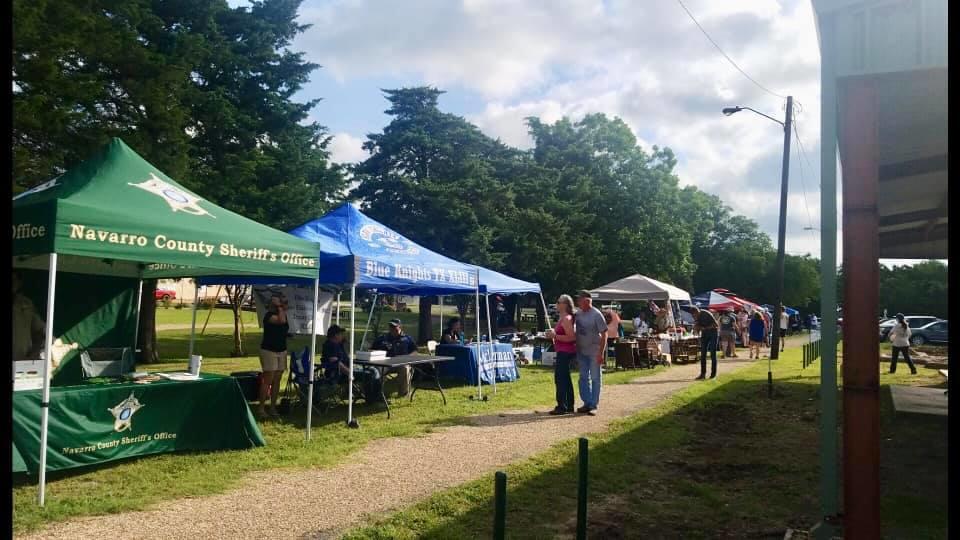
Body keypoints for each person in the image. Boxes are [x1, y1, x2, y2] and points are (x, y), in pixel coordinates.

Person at [321, 324, 383, 402]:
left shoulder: (338, 344)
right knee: (370, 374)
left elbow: (345, 349)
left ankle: (375, 397)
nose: (342, 335)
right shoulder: (330, 346)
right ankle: (373, 399)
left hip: (349, 368)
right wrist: (350, 373)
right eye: (340, 334)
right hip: (340, 374)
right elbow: (336, 363)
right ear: (336, 335)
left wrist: (346, 342)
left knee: (374, 370)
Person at [574, 290, 608, 415]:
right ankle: (586, 402)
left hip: (594, 351)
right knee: (583, 378)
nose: (577, 302)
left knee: (595, 377)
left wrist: (601, 352)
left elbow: (605, 334)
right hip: (581, 351)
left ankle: (593, 404)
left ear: (587, 301)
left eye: (579, 300)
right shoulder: (578, 313)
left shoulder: (596, 315)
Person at [544, 294, 577, 415]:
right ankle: (568, 405)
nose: (556, 304)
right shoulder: (563, 318)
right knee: (565, 378)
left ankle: (562, 406)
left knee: (560, 378)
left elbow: (572, 337)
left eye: (559, 302)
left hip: (565, 352)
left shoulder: (567, 319)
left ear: (565, 304)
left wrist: (555, 336)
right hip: (562, 351)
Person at [258, 293, 289, 417]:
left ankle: (272, 407)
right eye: (283, 303)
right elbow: (280, 321)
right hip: (269, 350)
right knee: (268, 379)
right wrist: (280, 307)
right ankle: (261, 409)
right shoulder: (269, 316)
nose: (285, 305)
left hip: (282, 350)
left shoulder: (283, 314)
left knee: (277, 379)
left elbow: (283, 327)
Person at [371, 319, 418, 396]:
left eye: (394, 326)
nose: (392, 328)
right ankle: (377, 394)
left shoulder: (407, 338)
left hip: (401, 363)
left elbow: (415, 351)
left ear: (400, 327)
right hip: (385, 364)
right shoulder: (383, 338)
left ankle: (403, 394)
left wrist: (408, 357)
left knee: (405, 368)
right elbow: (372, 349)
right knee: (376, 370)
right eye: (390, 326)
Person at [13, 272, 46, 361]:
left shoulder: (26, 303)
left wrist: (53, 339)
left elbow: (39, 327)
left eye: (15, 280)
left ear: (19, 283)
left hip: (22, 359)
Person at [691, 306, 719, 380]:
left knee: (713, 353)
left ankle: (713, 375)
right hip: (704, 334)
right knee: (703, 354)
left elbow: (716, 325)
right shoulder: (695, 317)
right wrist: (696, 328)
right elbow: (697, 326)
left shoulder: (706, 313)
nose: (695, 317)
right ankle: (702, 374)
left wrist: (705, 328)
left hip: (713, 333)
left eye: (695, 315)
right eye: (693, 315)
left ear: (698, 311)